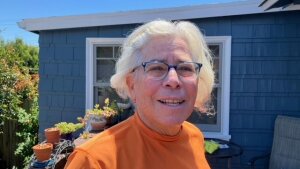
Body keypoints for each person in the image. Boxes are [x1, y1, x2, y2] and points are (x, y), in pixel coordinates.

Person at [65, 19, 214, 169]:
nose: (173, 80)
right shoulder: (93, 161)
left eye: (186, 68)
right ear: (132, 85)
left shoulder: (195, 137)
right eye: (156, 67)